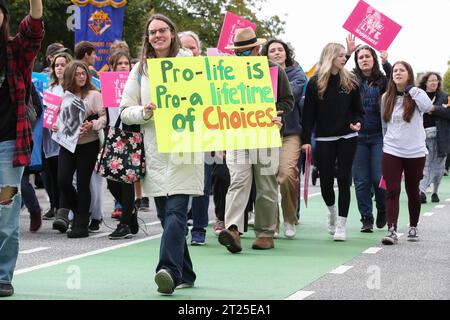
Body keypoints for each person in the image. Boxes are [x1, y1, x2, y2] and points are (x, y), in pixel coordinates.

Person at [120, 13, 202, 295]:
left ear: (172, 32)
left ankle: (166, 269)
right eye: (152, 32)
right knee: (167, 215)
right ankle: (186, 272)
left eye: (162, 30)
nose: (157, 36)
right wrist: (145, 111)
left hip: (183, 148)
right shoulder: (140, 69)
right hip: (154, 151)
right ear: (148, 38)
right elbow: (125, 110)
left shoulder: (189, 62)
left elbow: (211, 98)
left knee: (177, 211)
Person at [217, 27, 293, 253]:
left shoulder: (274, 70)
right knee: (238, 180)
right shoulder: (226, 72)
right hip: (237, 134)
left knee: (266, 185)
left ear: (256, 49)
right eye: (237, 52)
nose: (239, 56)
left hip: (266, 134)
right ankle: (232, 229)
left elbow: (288, 101)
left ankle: (265, 232)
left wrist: (271, 112)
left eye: (245, 52)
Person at [0, 0, 44, 297]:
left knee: (5, 209)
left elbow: (34, 28)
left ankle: (3, 276)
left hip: (7, 145)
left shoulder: (15, 50)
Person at [302, 42, 364, 242]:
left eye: (345, 56)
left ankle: (342, 225)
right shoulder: (314, 83)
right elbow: (308, 115)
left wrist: (357, 122)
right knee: (326, 181)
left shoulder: (351, 81)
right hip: (324, 137)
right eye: (341, 56)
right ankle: (332, 211)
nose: (344, 59)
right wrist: (305, 140)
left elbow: (358, 110)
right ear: (330, 57)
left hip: (347, 136)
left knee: (345, 179)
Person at [380, 61, 434, 245]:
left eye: (402, 70)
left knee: (413, 190)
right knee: (392, 189)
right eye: (395, 70)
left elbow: (428, 107)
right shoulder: (386, 97)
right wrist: (384, 145)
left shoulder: (417, 94)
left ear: (409, 74)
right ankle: (392, 230)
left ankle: (413, 226)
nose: (397, 73)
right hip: (392, 149)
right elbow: (384, 125)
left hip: (415, 151)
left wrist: (412, 89)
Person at [51, 61, 106, 238]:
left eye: (84, 73)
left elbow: (105, 118)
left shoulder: (94, 95)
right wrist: (54, 126)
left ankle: (81, 224)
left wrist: (93, 124)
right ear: (70, 76)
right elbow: (56, 118)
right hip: (67, 145)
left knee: (83, 183)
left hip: (87, 145)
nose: (82, 76)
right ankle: (82, 213)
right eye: (77, 74)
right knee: (63, 182)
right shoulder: (63, 96)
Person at [261, 38, 307, 239]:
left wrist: (274, 77)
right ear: (266, 55)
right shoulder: (259, 73)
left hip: (290, 133)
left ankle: (290, 218)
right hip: (266, 133)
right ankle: (274, 223)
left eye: (281, 50)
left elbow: (292, 94)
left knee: (286, 174)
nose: (277, 53)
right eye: (272, 50)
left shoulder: (297, 74)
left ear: (287, 54)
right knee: (268, 179)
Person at [345, 34, 391, 232]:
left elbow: (397, 83)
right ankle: (366, 218)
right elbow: (333, 75)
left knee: (378, 177)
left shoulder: (383, 81)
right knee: (361, 181)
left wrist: (387, 63)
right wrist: (347, 53)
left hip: (379, 136)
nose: (364, 59)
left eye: (367, 56)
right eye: (360, 57)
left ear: (374, 59)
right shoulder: (350, 80)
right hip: (357, 137)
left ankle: (382, 209)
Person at [105, 50, 140, 240]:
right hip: (112, 135)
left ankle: (125, 223)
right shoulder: (108, 85)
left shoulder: (136, 85)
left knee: (126, 181)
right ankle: (130, 212)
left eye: (127, 63)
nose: (124, 66)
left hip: (130, 136)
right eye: (120, 64)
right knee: (111, 182)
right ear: (113, 67)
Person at [41, 52, 73, 220]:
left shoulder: (72, 87)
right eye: (56, 65)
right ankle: (56, 207)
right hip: (50, 140)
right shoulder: (51, 88)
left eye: (63, 64)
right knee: (53, 176)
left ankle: (65, 212)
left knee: (65, 178)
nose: (59, 68)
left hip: (67, 140)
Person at [418, 72, 449, 204]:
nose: (434, 83)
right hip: (422, 136)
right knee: (425, 165)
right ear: (425, 82)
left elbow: (448, 113)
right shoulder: (419, 96)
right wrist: (439, 110)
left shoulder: (445, 96)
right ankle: (422, 191)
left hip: (441, 136)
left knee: (439, 167)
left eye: (436, 80)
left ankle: (435, 191)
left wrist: (433, 109)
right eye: (431, 80)